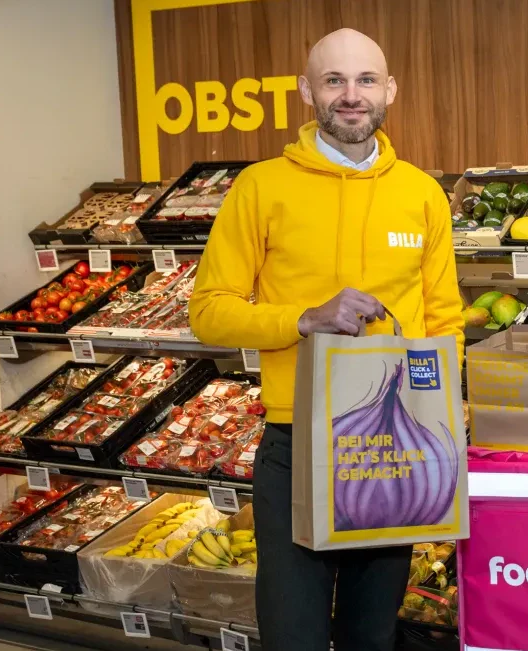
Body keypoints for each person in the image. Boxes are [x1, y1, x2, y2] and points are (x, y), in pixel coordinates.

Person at [188, 28, 464, 651]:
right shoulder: (259, 188)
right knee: (294, 635)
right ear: (307, 90)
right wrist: (302, 319)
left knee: (372, 635)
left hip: (393, 451)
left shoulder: (421, 194)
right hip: (296, 445)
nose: (351, 95)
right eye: (334, 81)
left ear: (390, 90)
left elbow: (444, 321)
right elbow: (208, 311)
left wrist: (446, 422)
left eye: (366, 80)